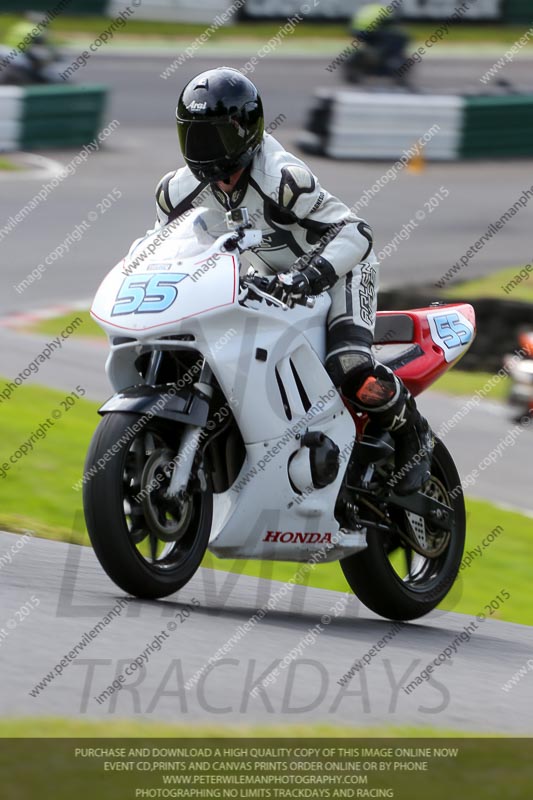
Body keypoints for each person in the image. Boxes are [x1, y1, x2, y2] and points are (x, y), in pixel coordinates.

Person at [149, 67, 433, 495]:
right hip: (270, 281)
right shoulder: (175, 192)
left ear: (245, 130)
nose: (206, 151)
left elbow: (356, 232)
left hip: (339, 273)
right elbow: (161, 250)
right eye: (195, 137)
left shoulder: (282, 179)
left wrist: (307, 277)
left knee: (350, 368)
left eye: (216, 137)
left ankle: (413, 432)